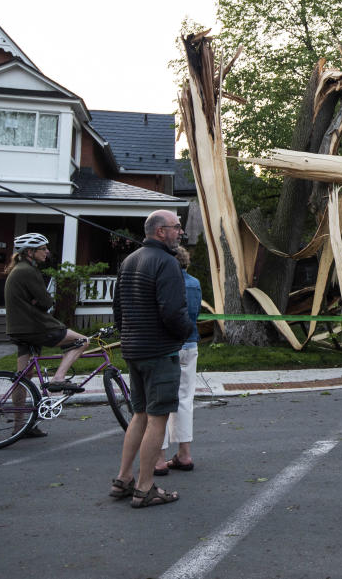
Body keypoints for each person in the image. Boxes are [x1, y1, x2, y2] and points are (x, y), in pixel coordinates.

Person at [108, 210, 193, 508]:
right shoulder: (167, 263)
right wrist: (185, 332)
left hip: (133, 349)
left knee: (139, 415)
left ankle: (123, 478)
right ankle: (144, 487)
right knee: (158, 418)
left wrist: (129, 335)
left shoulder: (129, 261)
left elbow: (117, 308)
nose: (180, 232)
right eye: (176, 227)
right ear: (160, 232)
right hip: (159, 351)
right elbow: (173, 312)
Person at [4, 232, 89, 438]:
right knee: (82, 341)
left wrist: (37, 301)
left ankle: (20, 426)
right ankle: (58, 380)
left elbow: (39, 300)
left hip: (18, 329)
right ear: (30, 252)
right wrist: (40, 301)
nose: (47, 252)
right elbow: (46, 301)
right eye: (43, 249)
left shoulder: (17, 269)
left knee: (23, 378)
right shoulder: (28, 271)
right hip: (36, 327)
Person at [154, 246, 201, 476]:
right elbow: (195, 314)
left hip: (166, 346)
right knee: (184, 400)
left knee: (160, 401)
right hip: (190, 343)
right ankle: (184, 453)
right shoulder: (194, 283)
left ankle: (160, 458)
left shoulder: (163, 283)